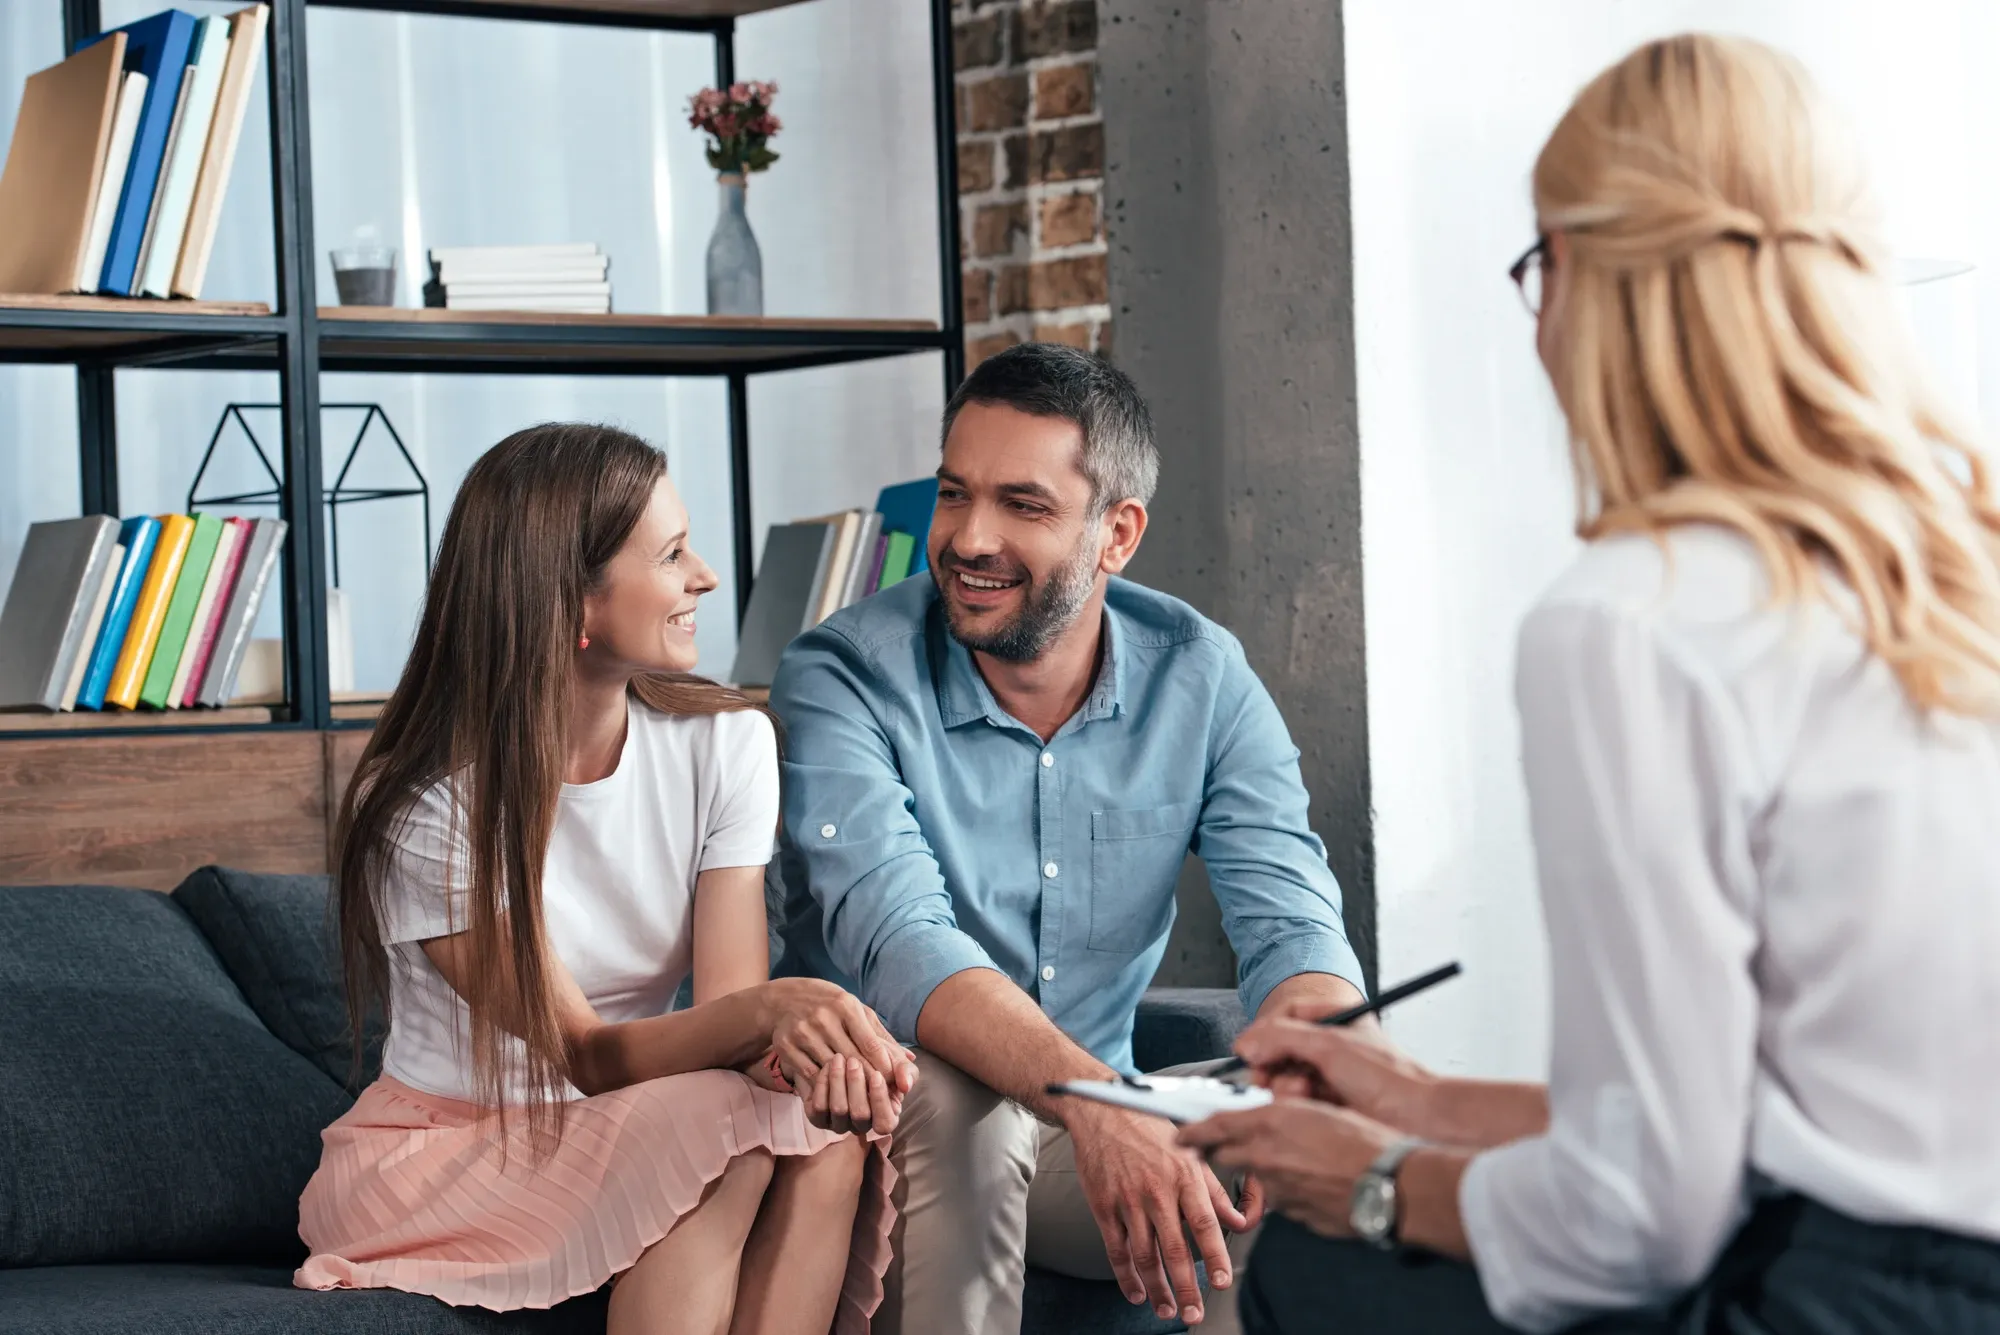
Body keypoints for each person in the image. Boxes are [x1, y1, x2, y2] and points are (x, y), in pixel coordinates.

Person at [1181, 32, 2000, 1335]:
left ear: (1603, 284)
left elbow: (1644, 1213)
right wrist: (1423, 1101)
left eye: (1540, 266)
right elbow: (1793, 1116)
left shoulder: (1638, 614)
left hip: (1830, 1296)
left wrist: (1378, 1181)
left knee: (1298, 1263)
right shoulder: (1958, 579)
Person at [769, 342, 1371, 1334]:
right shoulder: (842, 676)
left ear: (1115, 535)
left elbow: (1289, 921)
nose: (967, 536)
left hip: (1073, 1126)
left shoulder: (1201, 677)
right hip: (886, 1119)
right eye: (954, 494)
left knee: (1291, 1150)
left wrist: (1336, 1053)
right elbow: (902, 941)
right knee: (962, 1110)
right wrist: (1102, 1105)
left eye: (1022, 505)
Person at [295, 423, 918, 1335]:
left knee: (823, 1132)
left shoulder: (726, 744)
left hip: (643, 1113)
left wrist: (824, 1054)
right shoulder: (429, 808)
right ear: (571, 600)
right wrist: (786, 1008)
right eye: (671, 556)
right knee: (728, 1133)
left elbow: (733, 1020)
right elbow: (586, 1053)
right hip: (452, 1146)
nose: (704, 575)